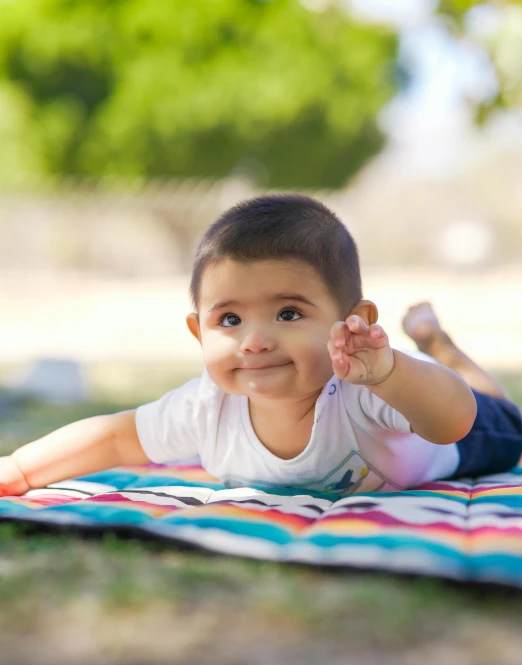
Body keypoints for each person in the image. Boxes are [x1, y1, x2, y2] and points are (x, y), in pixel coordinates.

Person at [1, 194, 521, 498]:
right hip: (413, 390)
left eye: (288, 313)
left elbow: (456, 419)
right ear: (198, 332)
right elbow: (113, 439)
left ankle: (443, 349)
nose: (254, 341)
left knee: (506, 417)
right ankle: (434, 346)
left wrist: (388, 374)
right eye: (229, 319)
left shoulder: (360, 388)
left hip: (445, 422)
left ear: (352, 322)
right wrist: (20, 470)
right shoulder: (206, 406)